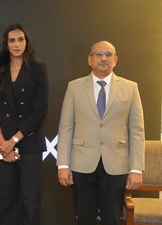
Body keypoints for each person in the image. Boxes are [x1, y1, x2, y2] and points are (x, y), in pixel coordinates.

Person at [57, 41, 145, 225]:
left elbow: (137, 130)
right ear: (90, 59)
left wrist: (136, 168)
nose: (103, 58)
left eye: (108, 54)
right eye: (98, 54)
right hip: (81, 163)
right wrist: (63, 164)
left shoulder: (131, 88)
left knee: (112, 218)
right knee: (84, 218)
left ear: (115, 60)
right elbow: (65, 127)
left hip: (117, 162)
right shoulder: (74, 87)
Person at [0, 23, 49, 225]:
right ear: (5, 44)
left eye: (21, 39)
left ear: (26, 42)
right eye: (12, 40)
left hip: (28, 146)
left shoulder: (38, 69)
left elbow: (39, 112)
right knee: (5, 201)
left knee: (30, 201)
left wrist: (13, 141)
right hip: (2, 147)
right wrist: (3, 144)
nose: (16, 44)